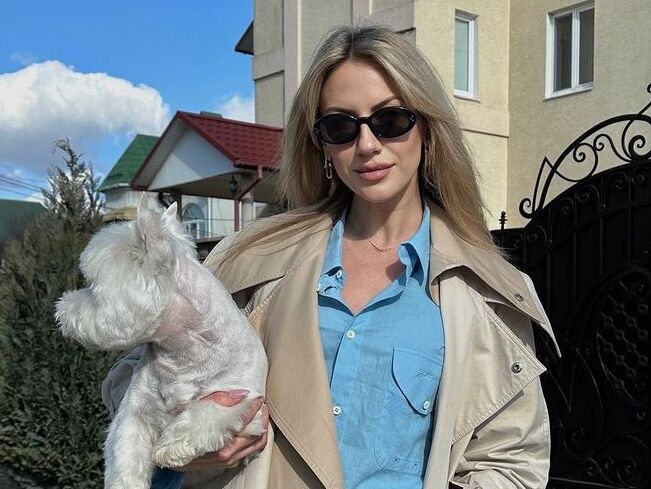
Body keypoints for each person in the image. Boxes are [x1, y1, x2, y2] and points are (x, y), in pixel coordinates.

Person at [103, 24, 560, 489]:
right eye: (340, 127)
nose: (367, 145)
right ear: (320, 145)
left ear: (427, 129)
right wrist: (185, 446)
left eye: (390, 120)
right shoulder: (249, 260)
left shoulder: (487, 291)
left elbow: (510, 461)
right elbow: (136, 383)